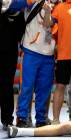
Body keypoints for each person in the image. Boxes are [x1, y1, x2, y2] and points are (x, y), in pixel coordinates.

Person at [15, 0, 56, 128]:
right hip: (31, 50)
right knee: (26, 87)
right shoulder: (31, 1)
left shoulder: (59, 4)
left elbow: (48, 24)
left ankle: (41, 119)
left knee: (44, 89)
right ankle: (22, 117)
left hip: (49, 53)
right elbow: (15, 5)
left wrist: (49, 10)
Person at [44, 0, 71, 124]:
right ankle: (56, 120)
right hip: (64, 55)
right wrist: (46, 11)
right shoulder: (60, 7)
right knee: (60, 86)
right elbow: (48, 23)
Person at [0, 0, 25, 130]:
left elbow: (21, 34)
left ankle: (7, 119)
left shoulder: (17, 12)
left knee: (7, 86)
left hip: (10, 54)